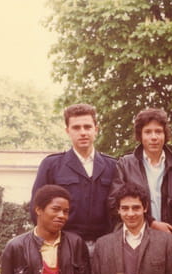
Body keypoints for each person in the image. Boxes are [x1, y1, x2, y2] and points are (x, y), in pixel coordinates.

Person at [30, 103, 117, 248]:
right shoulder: (52, 165)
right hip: (64, 244)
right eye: (76, 128)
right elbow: (36, 208)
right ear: (67, 131)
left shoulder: (113, 166)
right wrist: (51, 242)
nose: (83, 132)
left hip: (105, 245)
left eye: (87, 127)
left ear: (96, 130)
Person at [112, 108, 172, 237]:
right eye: (148, 132)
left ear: (165, 134)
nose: (154, 137)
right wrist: (150, 223)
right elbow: (114, 204)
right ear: (140, 135)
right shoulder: (125, 165)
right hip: (137, 239)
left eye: (158, 131)